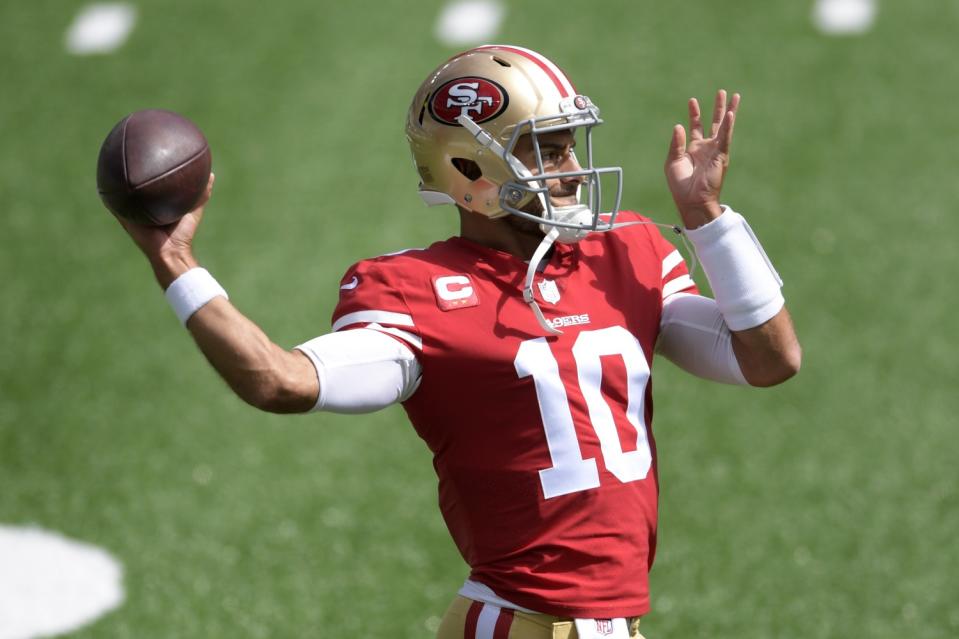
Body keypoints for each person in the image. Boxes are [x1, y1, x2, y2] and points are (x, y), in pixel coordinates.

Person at [112, 45, 800, 639]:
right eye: (547, 148)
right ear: (471, 172)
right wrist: (177, 262)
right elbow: (279, 380)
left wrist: (709, 221)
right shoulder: (415, 288)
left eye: (568, 144)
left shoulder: (626, 250)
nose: (570, 168)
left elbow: (767, 359)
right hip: (518, 622)